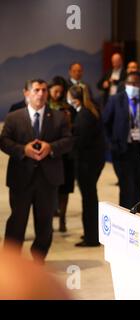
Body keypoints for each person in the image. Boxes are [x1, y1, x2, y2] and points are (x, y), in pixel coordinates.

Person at [0, 79, 72, 262]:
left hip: (48, 180)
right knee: (17, 221)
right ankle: (11, 262)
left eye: (44, 90)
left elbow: (68, 141)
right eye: (36, 90)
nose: (41, 94)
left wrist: (51, 147)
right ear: (27, 93)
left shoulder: (58, 117)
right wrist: (23, 150)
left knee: (45, 223)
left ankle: (38, 259)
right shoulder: (13, 117)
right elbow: (4, 142)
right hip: (21, 178)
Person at [103, 72, 140, 212]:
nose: (132, 86)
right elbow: (105, 124)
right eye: (129, 83)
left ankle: (137, 216)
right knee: (126, 187)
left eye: (135, 83)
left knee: (139, 186)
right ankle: (125, 218)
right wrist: (110, 144)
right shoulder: (115, 100)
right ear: (125, 84)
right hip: (122, 150)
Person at [68, 85, 106, 247]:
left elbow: (80, 141)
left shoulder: (84, 115)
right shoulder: (89, 111)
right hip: (93, 161)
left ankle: (91, 237)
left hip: (87, 163)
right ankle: (91, 234)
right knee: (90, 198)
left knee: (89, 200)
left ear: (74, 98)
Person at [48, 78, 75, 232]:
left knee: (65, 189)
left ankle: (62, 219)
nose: (57, 94)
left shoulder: (68, 108)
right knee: (50, 188)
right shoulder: (44, 107)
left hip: (66, 154)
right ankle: (49, 219)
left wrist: (69, 120)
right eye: (55, 91)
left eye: (60, 91)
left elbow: (72, 131)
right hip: (50, 153)